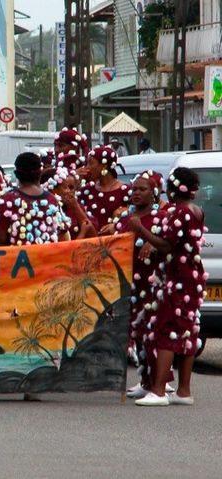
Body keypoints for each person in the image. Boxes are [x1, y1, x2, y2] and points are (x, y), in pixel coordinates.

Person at [129, 167, 206, 406]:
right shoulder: (196, 210)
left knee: (165, 331)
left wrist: (141, 230)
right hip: (190, 278)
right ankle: (183, 391)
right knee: (187, 332)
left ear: (173, 189)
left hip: (178, 281)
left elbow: (165, 245)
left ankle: (159, 391)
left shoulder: (181, 213)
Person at [112, 171, 169, 399]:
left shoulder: (162, 218)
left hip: (154, 284)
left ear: (154, 193)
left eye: (142, 189)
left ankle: (160, 384)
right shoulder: (127, 218)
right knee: (137, 333)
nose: (136, 193)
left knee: (152, 333)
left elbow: (168, 243)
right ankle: (145, 381)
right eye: (134, 189)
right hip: (131, 285)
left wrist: (151, 242)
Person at [0, 152, 70, 246]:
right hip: (47, 259)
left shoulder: (7, 200)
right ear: (40, 173)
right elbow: (62, 236)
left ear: (16, 174)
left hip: (16, 259)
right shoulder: (52, 200)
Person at [78, 145, 130, 232]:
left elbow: (136, 217)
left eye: (91, 163)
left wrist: (117, 225)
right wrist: (76, 181)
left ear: (104, 166)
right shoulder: (86, 190)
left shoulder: (126, 190)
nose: (87, 168)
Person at [41, 166, 96, 240]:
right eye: (65, 187)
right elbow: (63, 248)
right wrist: (82, 233)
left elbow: (93, 236)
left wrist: (76, 208)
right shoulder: (47, 212)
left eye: (71, 188)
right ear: (53, 189)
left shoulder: (74, 206)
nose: (69, 191)